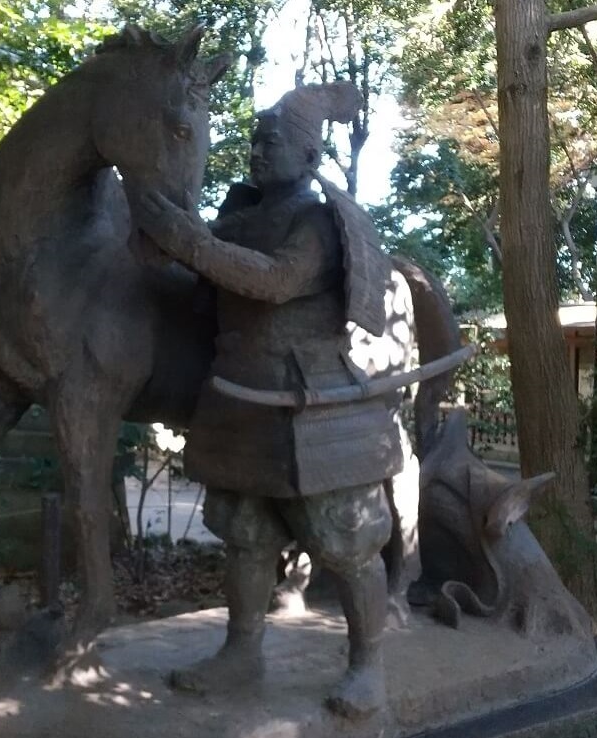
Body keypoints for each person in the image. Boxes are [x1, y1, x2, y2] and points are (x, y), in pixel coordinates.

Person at [136, 82, 403, 719]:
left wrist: (191, 242)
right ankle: (241, 650)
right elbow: (200, 289)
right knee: (246, 535)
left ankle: (367, 664)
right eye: (254, 141)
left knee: (345, 540)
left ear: (309, 158)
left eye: (273, 142)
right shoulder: (238, 217)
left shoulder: (318, 221)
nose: (257, 152)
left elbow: (277, 281)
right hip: (239, 400)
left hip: (311, 402)